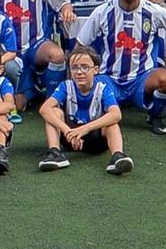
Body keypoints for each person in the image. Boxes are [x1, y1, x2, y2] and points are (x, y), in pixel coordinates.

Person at [73, 0, 166, 134]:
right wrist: (73, 82)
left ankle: (154, 115)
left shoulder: (154, 11)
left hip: (142, 77)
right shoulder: (102, 12)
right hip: (109, 78)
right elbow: (80, 46)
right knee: (94, 111)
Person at [36, 46, 133, 174]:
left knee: (111, 122)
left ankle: (117, 156)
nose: (79, 72)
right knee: (54, 112)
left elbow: (116, 114)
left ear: (96, 70)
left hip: (95, 140)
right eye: (74, 67)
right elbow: (44, 109)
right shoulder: (66, 86)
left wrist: (84, 129)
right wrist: (68, 131)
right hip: (70, 137)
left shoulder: (103, 88)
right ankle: (55, 152)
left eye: (85, 67)